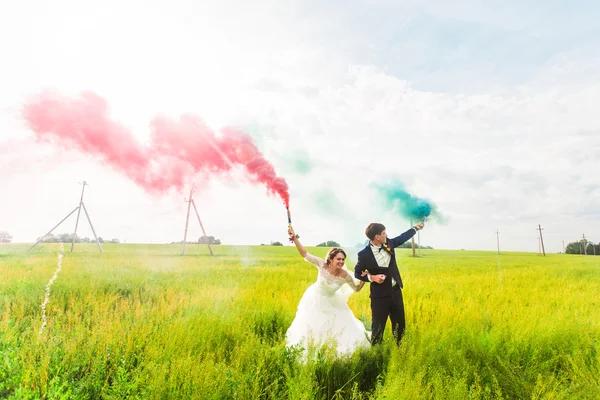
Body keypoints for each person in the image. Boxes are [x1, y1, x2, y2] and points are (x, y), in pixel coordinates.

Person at [285, 226, 371, 355]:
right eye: (339, 259)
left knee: (336, 327)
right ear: (331, 259)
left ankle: (331, 350)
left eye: (343, 259)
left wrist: (363, 279)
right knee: (313, 325)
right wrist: (294, 237)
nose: (341, 261)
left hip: (332, 302)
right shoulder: (322, 265)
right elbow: (305, 253)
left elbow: (356, 288)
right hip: (315, 298)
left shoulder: (345, 275)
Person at [354, 221, 425, 345]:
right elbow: (357, 272)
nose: (386, 235)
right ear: (377, 236)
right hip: (379, 297)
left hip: (395, 292)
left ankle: (400, 349)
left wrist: (415, 228)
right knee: (378, 327)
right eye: (384, 233)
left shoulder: (389, 243)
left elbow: (402, 238)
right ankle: (376, 354)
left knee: (400, 325)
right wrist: (373, 278)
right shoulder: (364, 254)